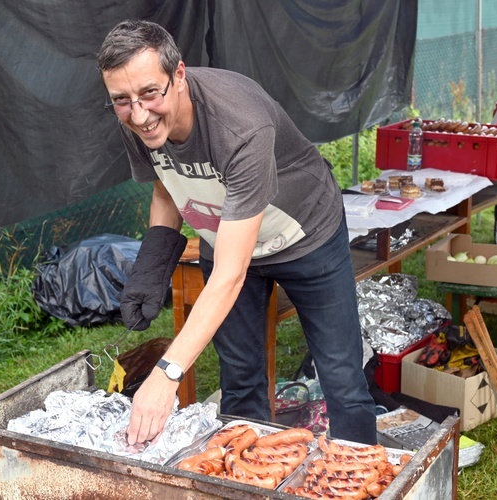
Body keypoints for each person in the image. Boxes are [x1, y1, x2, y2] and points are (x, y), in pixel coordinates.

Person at [97, 19, 377, 446]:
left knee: (342, 378)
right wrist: (151, 270)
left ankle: (360, 480)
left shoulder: (238, 125)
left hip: (305, 235)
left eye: (149, 94)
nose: (138, 114)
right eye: (122, 100)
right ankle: (247, 484)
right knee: (241, 382)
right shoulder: (139, 119)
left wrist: (167, 373)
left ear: (178, 76)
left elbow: (231, 274)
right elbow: (166, 188)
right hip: (224, 235)